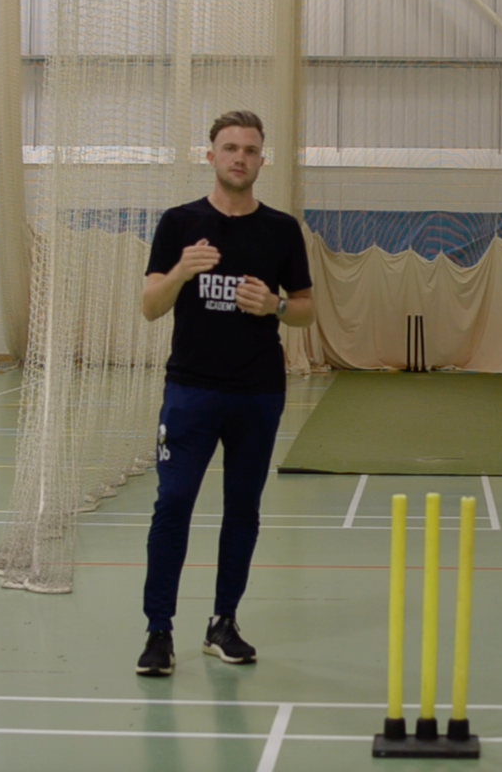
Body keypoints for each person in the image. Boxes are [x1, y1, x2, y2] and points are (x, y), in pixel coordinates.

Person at [135, 110, 315, 677]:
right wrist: (181, 272)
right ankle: (158, 632)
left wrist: (277, 306)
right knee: (173, 506)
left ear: (263, 160)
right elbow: (149, 305)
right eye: (230, 147)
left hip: (257, 394)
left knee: (243, 512)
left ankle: (223, 623)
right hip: (190, 391)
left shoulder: (282, 230)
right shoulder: (178, 224)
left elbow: (307, 311)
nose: (240, 157)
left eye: (251, 149)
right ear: (210, 155)